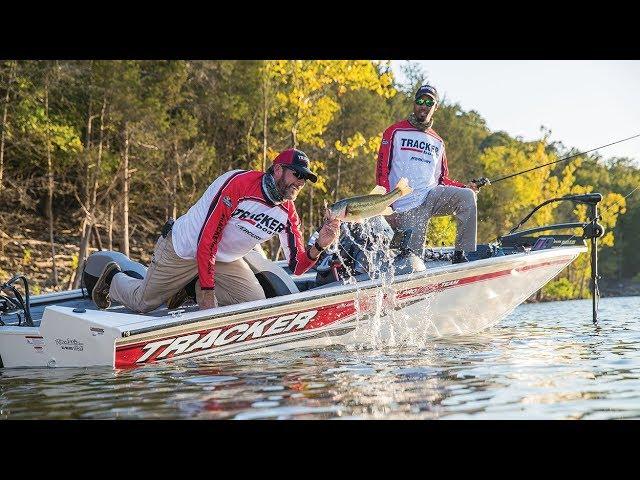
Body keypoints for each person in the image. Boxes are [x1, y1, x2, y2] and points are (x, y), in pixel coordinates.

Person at [91, 148, 341, 312]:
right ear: (277, 169)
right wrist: (208, 295)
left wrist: (320, 244)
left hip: (223, 259)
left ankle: (190, 286)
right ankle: (113, 279)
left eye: (304, 179)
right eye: (296, 174)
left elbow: (297, 266)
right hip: (185, 248)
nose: (300, 182)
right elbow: (207, 240)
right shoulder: (238, 185)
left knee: (254, 303)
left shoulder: (288, 214)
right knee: (143, 303)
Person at [376, 84, 481, 263]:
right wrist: (388, 207)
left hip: (431, 197)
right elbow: (381, 172)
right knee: (411, 261)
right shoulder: (394, 131)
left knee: (467, 196)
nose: (423, 106)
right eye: (420, 101)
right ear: (414, 103)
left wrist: (465, 186)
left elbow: (442, 179)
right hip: (405, 206)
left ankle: (460, 254)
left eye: (429, 102)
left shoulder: (438, 141)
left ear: (435, 107)